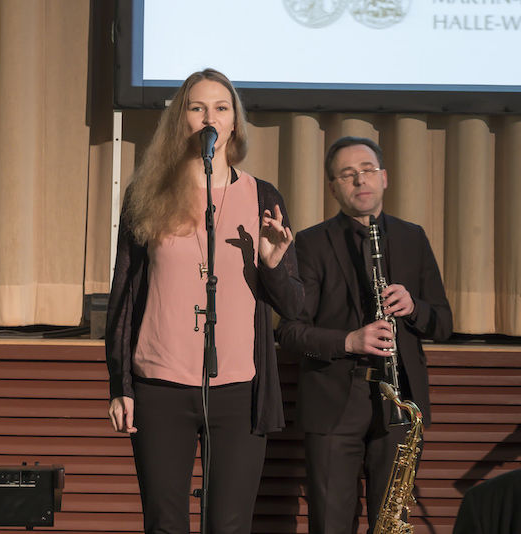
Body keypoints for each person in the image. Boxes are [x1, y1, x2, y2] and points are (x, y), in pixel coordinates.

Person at [105, 68, 304, 534]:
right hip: (160, 385)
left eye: (220, 108)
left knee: (229, 525)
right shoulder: (146, 194)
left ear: (234, 122)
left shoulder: (262, 196)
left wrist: (272, 264)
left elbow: (294, 306)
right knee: (164, 523)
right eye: (197, 108)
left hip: (238, 388)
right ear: (182, 120)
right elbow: (124, 295)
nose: (209, 117)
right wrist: (120, 384)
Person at [276, 136, 453, 533]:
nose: (360, 180)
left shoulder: (412, 237)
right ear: (333, 187)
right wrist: (348, 341)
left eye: (368, 170)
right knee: (330, 523)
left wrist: (414, 307)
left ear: (384, 177)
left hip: (399, 402)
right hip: (334, 401)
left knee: (390, 522)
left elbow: (443, 322)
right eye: (347, 174)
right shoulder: (311, 243)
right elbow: (289, 331)